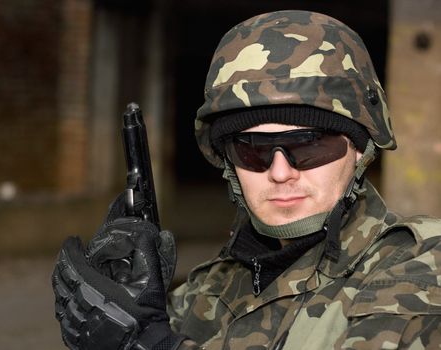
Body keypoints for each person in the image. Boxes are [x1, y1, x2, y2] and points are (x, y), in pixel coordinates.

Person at [51, 10, 441, 350]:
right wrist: (128, 306)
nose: (280, 171)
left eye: (308, 146)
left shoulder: (419, 267)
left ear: (360, 149)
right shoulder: (207, 291)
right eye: (253, 150)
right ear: (228, 163)